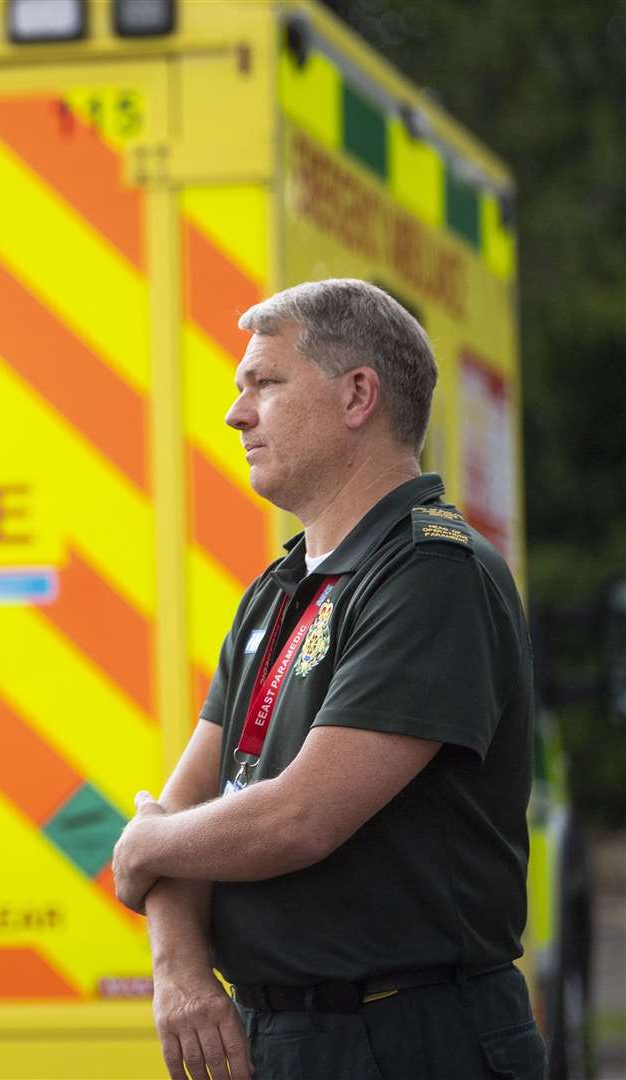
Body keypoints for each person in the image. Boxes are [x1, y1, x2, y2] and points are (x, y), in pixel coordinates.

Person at [110, 279, 546, 1080]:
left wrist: (143, 846)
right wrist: (176, 971)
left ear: (357, 396)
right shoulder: (277, 591)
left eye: (264, 383)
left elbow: (299, 818)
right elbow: (184, 808)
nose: (236, 414)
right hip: (276, 1038)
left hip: (411, 1040)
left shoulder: (431, 574)